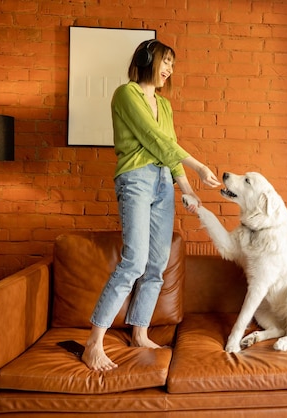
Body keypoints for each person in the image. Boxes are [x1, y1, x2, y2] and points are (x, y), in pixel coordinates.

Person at [82, 39, 220, 371]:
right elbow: (153, 140)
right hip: (136, 179)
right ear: (147, 60)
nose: (170, 69)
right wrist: (199, 167)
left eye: (173, 64)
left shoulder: (164, 105)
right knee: (134, 261)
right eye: (166, 61)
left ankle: (139, 332)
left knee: (157, 263)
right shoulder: (126, 94)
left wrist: (185, 187)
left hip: (162, 182)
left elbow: (167, 149)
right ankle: (93, 344)